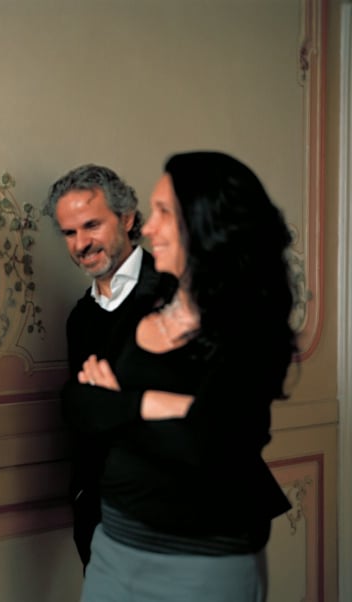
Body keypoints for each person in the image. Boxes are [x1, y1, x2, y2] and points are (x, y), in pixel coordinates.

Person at [64, 151, 296, 601]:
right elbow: (78, 403)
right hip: (113, 548)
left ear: (209, 223)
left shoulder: (248, 326)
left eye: (164, 212)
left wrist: (118, 405)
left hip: (201, 561)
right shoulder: (141, 308)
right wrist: (156, 404)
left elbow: (206, 443)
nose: (149, 228)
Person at [43, 164, 167, 569]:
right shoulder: (79, 318)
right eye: (69, 232)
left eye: (92, 225)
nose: (81, 243)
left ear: (127, 219)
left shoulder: (181, 292)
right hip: (101, 521)